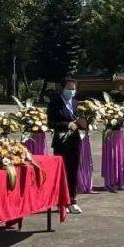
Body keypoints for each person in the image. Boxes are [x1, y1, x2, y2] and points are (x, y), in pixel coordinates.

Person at [48, 78, 85, 214]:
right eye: (69, 88)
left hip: (75, 142)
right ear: (63, 88)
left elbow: (82, 122)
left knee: (73, 171)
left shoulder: (77, 103)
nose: (72, 91)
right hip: (61, 143)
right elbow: (51, 123)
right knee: (61, 172)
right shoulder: (55, 103)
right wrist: (66, 124)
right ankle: (60, 202)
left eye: (73, 88)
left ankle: (72, 200)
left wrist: (84, 124)